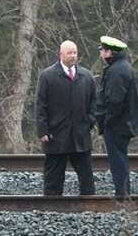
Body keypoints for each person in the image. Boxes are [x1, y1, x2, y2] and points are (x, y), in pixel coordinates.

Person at [35, 40, 97, 196]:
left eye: (75, 52)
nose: (73, 56)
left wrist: (88, 123)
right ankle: (52, 208)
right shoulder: (47, 76)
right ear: (61, 54)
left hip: (80, 135)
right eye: (70, 53)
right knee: (53, 178)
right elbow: (41, 105)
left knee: (86, 177)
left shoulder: (87, 76)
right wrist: (43, 130)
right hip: (56, 135)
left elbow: (94, 104)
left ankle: (89, 209)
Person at [96, 35, 138, 199]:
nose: (100, 54)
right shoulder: (122, 67)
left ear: (109, 52)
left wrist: (107, 121)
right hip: (123, 123)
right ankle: (123, 191)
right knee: (120, 157)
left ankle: (122, 193)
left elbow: (114, 101)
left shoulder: (117, 71)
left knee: (117, 159)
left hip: (118, 124)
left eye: (102, 50)